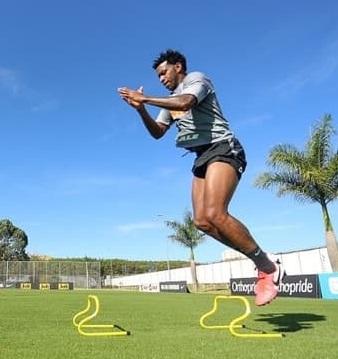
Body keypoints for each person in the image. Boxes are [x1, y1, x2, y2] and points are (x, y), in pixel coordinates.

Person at [118, 49, 285, 306]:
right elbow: (158, 132)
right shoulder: (169, 99)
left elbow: (186, 102)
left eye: (164, 72)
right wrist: (141, 109)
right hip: (201, 157)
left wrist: (146, 97)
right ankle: (262, 261)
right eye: (158, 76)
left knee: (217, 213)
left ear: (179, 67)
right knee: (202, 222)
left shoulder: (197, 80)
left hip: (223, 147)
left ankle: (268, 268)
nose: (162, 79)